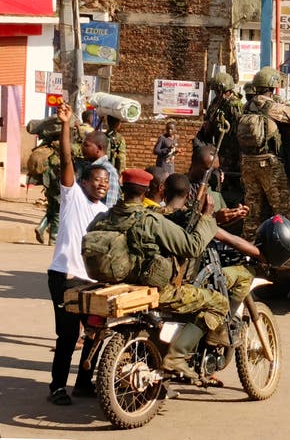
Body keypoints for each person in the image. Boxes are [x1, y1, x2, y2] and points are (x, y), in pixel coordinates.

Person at [86, 167, 260, 380]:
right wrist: (206, 217)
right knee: (219, 303)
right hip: (156, 288)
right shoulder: (150, 220)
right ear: (147, 190)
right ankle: (177, 356)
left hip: (120, 280)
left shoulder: (105, 216)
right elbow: (192, 247)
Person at [47, 102, 109, 406]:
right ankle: (57, 387)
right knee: (68, 336)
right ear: (83, 182)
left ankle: (84, 383)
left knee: (95, 332)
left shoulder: (106, 211)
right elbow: (66, 157)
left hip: (91, 280)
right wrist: (66, 124)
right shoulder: (72, 197)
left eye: (106, 183)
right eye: (97, 181)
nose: (102, 186)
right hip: (65, 276)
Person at [238, 67, 290, 240]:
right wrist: (284, 107)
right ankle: (284, 246)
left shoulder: (247, 106)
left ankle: (248, 246)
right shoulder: (272, 107)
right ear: (273, 87)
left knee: (252, 208)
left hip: (247, 162)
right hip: (268, 163)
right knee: (282, 209)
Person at [81, 130, 120, 208]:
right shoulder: (86, 167)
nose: (82, 148)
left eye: (86, 145)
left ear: (99, 148)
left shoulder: (109, 171)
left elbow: (110, 205)